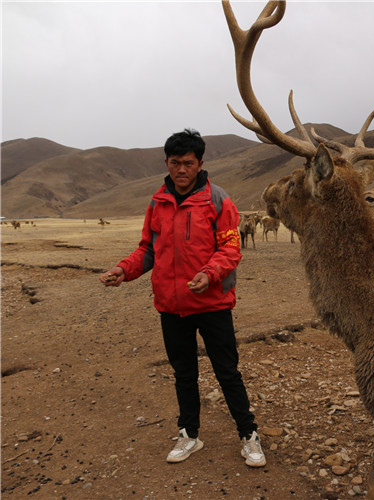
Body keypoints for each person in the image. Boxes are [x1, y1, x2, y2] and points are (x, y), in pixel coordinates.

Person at [100, 128, 265, 467]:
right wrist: (124, 269)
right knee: (183, 374)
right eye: (175, 163)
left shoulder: (218, 200)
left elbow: (231, 248)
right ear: (167, 162)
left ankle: (249, 435)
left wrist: (210, 273)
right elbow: (148, 250)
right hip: (171, 306)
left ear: (200, 163)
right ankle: (189, 433)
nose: (181, 170)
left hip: (212, 304)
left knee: (227, 372)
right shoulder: (157, 203)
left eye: (188, 163)